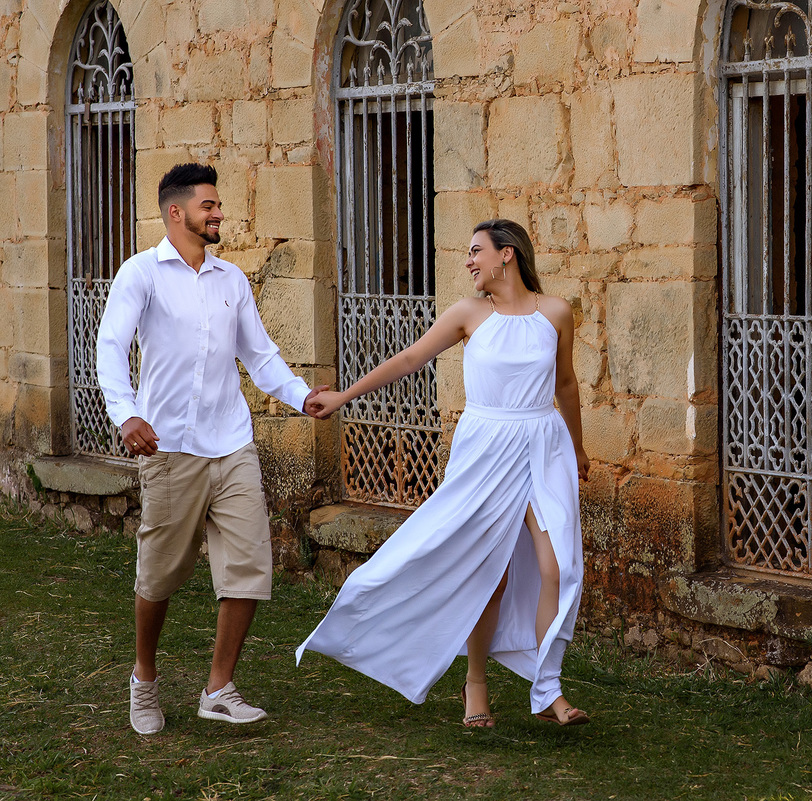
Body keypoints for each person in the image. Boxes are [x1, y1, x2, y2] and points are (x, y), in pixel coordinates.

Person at [297, 219, 591, 728]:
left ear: (508, 255)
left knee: (557, 569)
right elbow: (410, 358)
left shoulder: (556, 313)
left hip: (545, 448)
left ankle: (548, 691)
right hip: (486, 452)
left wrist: (578, 448)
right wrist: (343, 397)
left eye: (477, 251)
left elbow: (566, 383)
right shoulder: (467, 315)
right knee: (487, 575)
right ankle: (474, 684)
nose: (470, 261)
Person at [97, 163, 326, 735]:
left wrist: (302, 397)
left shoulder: (231, 280)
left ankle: (218, 688)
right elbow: (109, 347)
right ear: (177, 213)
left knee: (249, 569)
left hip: (232, 443)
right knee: (159, 575)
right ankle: (143, 681)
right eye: (209, 205)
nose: (219, 213)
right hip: (170, 448)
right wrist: (126, 414)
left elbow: (260, 355)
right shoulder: (140, 274)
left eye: (218, 205)